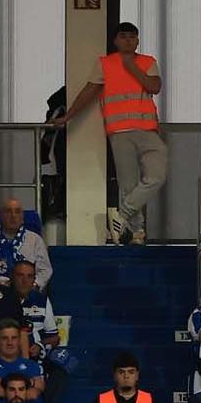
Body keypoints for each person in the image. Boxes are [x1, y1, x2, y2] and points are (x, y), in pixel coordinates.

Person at [54, 22, 167, 244]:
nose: (128, 41)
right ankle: (137, 232)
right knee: (128, 184)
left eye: (132, 37)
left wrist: (131, 66)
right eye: (123, 36)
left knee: (157, 176)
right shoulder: (105, 64)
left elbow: (154, 87)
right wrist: (67, 117)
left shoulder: (147, 62)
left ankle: (122, 215)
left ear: (137, 40)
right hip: (119, 131)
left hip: (147, 130)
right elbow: (89, 92)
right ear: (116, 40)